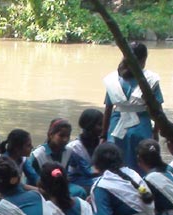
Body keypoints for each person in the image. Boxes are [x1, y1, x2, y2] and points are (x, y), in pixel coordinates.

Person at [102, 42, 164, 174]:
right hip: (140, 128)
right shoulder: (150, 79)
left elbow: (108, 109)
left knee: (116, 165)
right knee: (142, 165)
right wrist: (156, 132)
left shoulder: (113, 80)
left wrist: (103, 135)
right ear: (143, 60)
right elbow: (158, 110)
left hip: (115, 128)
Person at [30, 118, 87, 198]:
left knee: (80, 191)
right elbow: (31, 181)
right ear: (51, 135)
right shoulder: (38, 155)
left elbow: (65, 174)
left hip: (61, 186)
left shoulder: (68, 151)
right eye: (61, 135)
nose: (65, 139)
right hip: (44, 189)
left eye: (68, 136)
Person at [68, 109, 103, 193]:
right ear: (89, 126)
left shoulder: (101, 142)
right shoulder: (75, 147)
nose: (103, 128)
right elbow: (88, 172)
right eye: (100, 125)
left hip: (93, 178)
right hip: (76, 180)